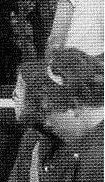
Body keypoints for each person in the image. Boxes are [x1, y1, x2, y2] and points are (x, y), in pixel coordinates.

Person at [10, 48, 103, 182]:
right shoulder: (80, 145)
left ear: (75, 106)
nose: (46, 123)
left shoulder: (97, 161)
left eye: (48, 111)